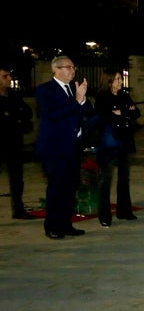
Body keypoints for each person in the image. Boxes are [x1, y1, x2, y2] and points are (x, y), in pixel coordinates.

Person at [35, 55, 94, 239]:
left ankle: (66, 224)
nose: (72, 70)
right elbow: (53, 115)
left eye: (74, 67)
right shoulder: (45, 90)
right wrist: (76, 101)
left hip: (73, 146)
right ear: (56, 69)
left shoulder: (72, 89)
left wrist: (83, 101)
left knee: (70, 187)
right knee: (56, 187)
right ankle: (52, 226)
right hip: (54, 148)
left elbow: (88, 113)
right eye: (68, 67)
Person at [94, 69, 141, 227]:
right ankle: (104, 215)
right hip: (110, 143)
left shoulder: (124, 95)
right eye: (118, 79)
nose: (121, 81)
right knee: (106, 179)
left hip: (125, 141)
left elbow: (136, 113)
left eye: (121, 79)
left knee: (124, 178)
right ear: (109, 81)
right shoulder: (102, 97)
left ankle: (124, 210)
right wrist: (123, 112)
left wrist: (122, 112)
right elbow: (104, 115)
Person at [0, 63, 35, 219]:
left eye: (9, 76)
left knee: (17, 178)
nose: (9, 79)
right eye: (4, 76)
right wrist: (12, 117)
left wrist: (12, 117)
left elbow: (26, 112)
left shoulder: (13, 95)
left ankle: (18, 208)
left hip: (13, 142)